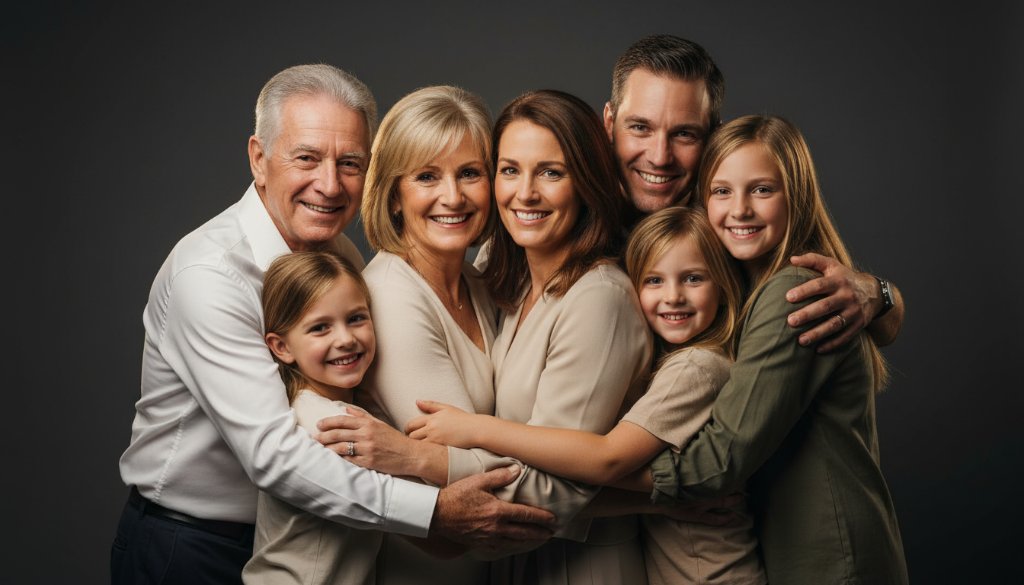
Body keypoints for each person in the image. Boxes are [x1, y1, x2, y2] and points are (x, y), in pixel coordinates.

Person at [111, 64, 554, 585]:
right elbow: (276, 457)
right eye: (307, 158)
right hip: (191, 544)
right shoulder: (209, 276)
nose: (329, 184)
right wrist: (435, 511)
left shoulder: (335, 252)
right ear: (259, 158)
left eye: (349, 163)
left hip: (308, 538)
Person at [407, 207, 767, 585]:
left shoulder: (695, 369)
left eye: (693, 279)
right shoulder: (675, 359)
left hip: (712, 574)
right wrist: (661, 498)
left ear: (723, 285)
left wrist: (477, 430)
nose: (673, 296)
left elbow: (606, 460)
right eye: (654, 281)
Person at [648, 115, 908, 583]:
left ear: (797, 196)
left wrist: (594, 477)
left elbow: (718, 463)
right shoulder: (740, 293)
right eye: (721, 191)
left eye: (762, 190)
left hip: (831, 561)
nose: (739, 210)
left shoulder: (791, 291)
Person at [603, 34, 905, 353]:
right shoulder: (573, 213)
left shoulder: (733, 224)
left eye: (684, 134)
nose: (660, 156)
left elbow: (876, 320)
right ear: (609, 123)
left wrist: (878, 294)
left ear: (716, 134)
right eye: (640, 128)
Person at [352, 84, 498, 584]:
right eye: (427, 177)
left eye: (470, 173)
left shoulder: (481, 281)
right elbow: (482, 483)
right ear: (394, 194)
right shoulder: (391, 296)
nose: (453, 197)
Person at [242, 251, 381, 585]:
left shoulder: (317, 406)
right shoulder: (325, 424)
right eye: (320, 328)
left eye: (356, 318)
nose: (346, 339)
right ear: (282, 347)